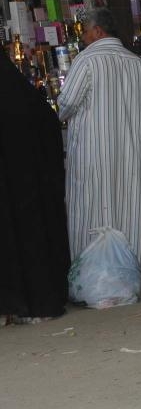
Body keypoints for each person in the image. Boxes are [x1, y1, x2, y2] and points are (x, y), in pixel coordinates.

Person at [58, 8, 141, 262]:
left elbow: (65, 105)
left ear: (98, 31)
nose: (83, 38)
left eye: (86, 32)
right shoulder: (139, 65)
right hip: (130, 156)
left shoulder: (87, 60)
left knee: (90, 215)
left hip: (93, 156)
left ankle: (92, 283)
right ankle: (126, 278)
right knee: (128, 214)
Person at [0, 48, 70, 323]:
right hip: (32, 189)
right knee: (35, 240)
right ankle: (41, 300)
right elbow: (50, 128)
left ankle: (10, 306)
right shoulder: (25, 96)